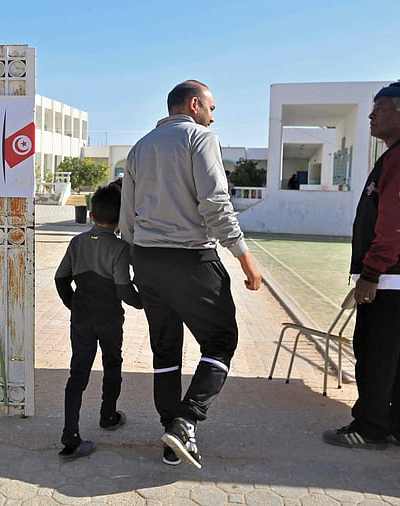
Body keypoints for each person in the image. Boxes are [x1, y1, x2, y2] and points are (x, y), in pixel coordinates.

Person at [119, 80, 262, 469]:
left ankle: (173, 437)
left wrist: (135, 263)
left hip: (148, 260)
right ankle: (187, 419)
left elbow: (127, 214)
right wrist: (244, 257)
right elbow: (215, 203)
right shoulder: (201, 139)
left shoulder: (140, 147)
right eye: (211, 109)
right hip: (191, 260)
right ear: (194, 104)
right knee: (221, 341)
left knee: (165, 349)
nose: (213, 117)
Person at [322, 82, 400, 451]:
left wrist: (371, 273)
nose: (371, 116)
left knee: (375, 352)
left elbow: (397, 224)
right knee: (399, 353)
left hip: (391, 276)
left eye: (380, 108)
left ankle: (370, 429)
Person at [54, 182, 143, 459]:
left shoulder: (77, 242)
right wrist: (144, 302)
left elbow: (60, 279)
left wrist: (74, 305)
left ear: (91, 215)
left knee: (77, 374)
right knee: (112, 364)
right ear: (120, 221)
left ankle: (71, 435)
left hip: (81, 320)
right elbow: (124, 289)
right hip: (109, 320)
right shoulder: (119, 248)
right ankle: (108, 416)